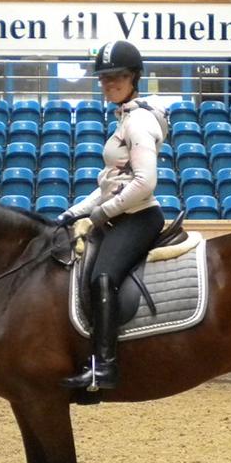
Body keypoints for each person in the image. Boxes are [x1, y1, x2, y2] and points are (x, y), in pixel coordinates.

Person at [55, 40, 169, 392]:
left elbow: (145, 183)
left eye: (116, 77)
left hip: (138, 217)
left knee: (102, 277)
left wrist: (102, 212)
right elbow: (111, 183)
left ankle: (105, 367)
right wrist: (75, 211)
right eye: (103, 78)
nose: (107, 83)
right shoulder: (125, 118)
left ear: (134, 77)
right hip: (119, 215)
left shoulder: (138, 122)